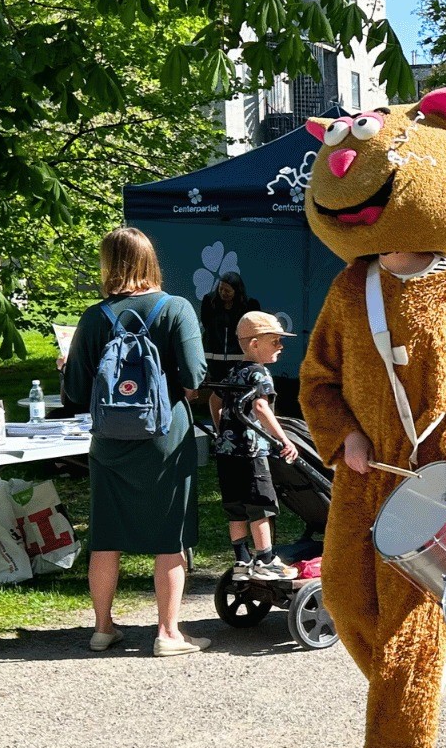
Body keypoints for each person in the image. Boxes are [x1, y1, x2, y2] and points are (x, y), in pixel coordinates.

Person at [299, 86, 446, 748]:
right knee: (349, 603)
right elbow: (316, 380)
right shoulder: (350, 290)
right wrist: (342, 435)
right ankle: (404, 690)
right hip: (361, 478)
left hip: (433, 485)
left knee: (413, 623)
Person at [61, 227, 208, 657]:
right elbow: (195, 376)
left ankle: (103, 628)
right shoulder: (175, 308)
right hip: (166, 436)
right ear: (150, 261)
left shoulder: (94, 317)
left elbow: (74, 390)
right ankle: (168, 634)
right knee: (170, 533)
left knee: (106, 534)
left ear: (108, 263)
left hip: (109, 439)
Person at [212, 311, 300, 580]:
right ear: (254, 344)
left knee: (235, 506)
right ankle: (265, 559)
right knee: (260, 504)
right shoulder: (260, 374)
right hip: (251, 453)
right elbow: (261, 406)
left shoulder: (232, 372)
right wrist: (283, 439)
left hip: (227, 454)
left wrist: (223, 432)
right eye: (275, 342)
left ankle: (242, 561)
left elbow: (215, 401)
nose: (280, 348)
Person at [198, 272, 254, 427]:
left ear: (237, 291)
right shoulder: (210, 301)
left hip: (238, 360)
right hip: (215, 359)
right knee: (218, 395)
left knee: (237, 397)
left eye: (228, 291)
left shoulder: (248, 306)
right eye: (221, 289)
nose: (223, 293)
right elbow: (207, 325)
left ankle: (237, 429)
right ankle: (219, 432)